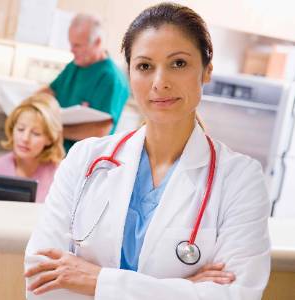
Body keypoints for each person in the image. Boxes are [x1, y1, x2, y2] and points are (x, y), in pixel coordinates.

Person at [24, 3, 270, 300]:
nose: (160, 82)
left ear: (206, 71)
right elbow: (41, 281)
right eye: (144, 66)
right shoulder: (84, 159)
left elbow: (237, 295)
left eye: (178, 63)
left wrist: (97, 281)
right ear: (129, 74)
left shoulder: (240, 178)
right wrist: (187, 290)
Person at [39, 13, 130, 152]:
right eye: (71, 44)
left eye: (77, 45)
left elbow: (101, 130)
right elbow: (50, 91)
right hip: (53, 152)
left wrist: (53, 130)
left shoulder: (111, 79)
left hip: (81, 160)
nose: (71, 50)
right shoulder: (75, 65)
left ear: (97, 42)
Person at [0, 94, 64, 203]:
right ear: (12, 129)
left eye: (36, 133)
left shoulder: (59, 174)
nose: (25, 138)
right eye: (21, 129)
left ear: (50, 138)